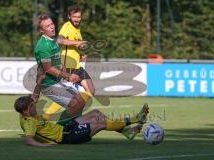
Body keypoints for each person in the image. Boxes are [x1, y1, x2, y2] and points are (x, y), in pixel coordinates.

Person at [14, 78, 149, 146]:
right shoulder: (29, 122)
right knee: (100, 123)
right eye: (32, 106)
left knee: (96, 113)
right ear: (25, 111)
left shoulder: (26, 110)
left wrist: (40, 81)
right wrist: (45, 145)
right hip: (66, 138)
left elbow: (34, 97)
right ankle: (136, 118)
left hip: (64, 128)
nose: (34, 106)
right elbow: (29, 140)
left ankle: (127, 131)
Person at [34, 13, 91, 124]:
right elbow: (48, 69)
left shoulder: (53, 41)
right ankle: (59, 129)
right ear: (41, 30)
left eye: (51, 24)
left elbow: (57, 62)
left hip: (57, 82)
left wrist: (65, 71)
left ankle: (75, 126)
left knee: (81, 100)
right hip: (48, 84)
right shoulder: (43, 45)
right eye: (47, 26)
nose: (51, 27)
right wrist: (68, 75)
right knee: (75, 104)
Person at [58, 5, 95, 95]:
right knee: (69, 96)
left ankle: (75, 107)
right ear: (69, 17)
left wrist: (80, 55)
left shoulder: (77, 29)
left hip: (77, 66)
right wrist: (77, 43)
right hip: (68, 66)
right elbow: (60, 40)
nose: (76, 19)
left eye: (78, 17)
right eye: (74, 17)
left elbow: (74, 46)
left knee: (91, 91)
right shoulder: (67, 25)